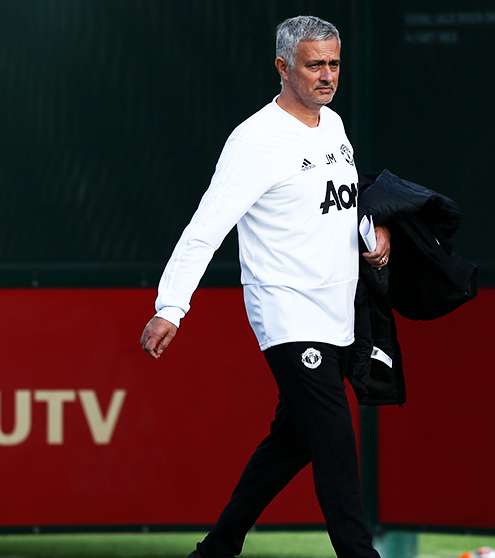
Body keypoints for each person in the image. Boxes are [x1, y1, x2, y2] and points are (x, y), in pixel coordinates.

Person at [139, 15, 389, 558]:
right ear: (282, 67)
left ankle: (219, 547)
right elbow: (205, 228)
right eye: (314, 64)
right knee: (335, 443)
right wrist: (171, 307)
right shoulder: (254, 140)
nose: (327, 75)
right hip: (287, 312)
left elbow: (339, 202)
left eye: (334, 63)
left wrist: (374, 231)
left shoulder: (335, 125)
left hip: (338, 309)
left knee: (292, 440)